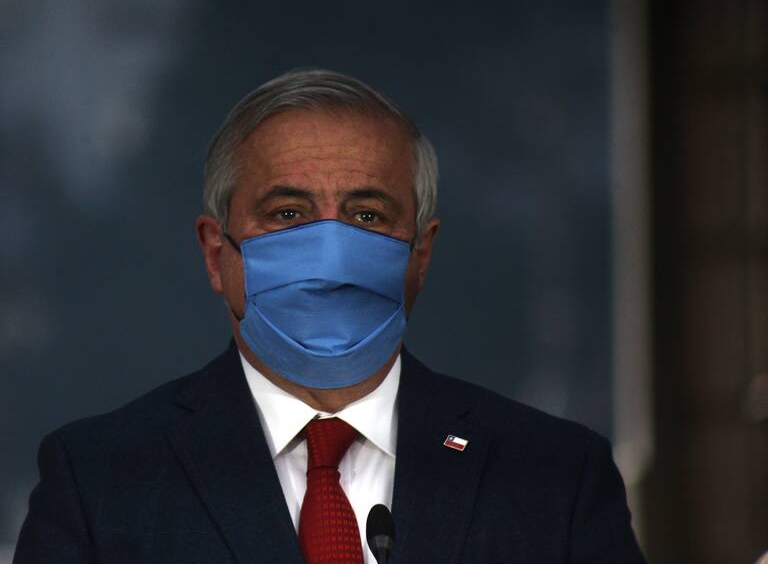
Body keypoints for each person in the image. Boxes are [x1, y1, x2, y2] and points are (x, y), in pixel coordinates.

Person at [14, 69, 646, 563]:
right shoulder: (100, 480)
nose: (330, 254)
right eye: (287, 214)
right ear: (216, 255)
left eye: (367, 215)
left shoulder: (553, 477)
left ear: (420, 255)